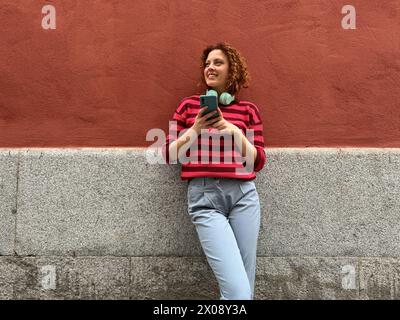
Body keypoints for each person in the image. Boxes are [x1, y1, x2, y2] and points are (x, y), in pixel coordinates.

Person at [162, 43, 266, 300]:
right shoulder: (188, 107)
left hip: (244, 196)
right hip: (205, 198)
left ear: (232, 70)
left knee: (245, 290)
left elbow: (258, 161)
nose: (210, 67)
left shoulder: (248, 111)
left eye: (218, 62)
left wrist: (232, 131)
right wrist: (196, 128)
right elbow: (168, 155)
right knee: (239, 293)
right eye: (207, 63)